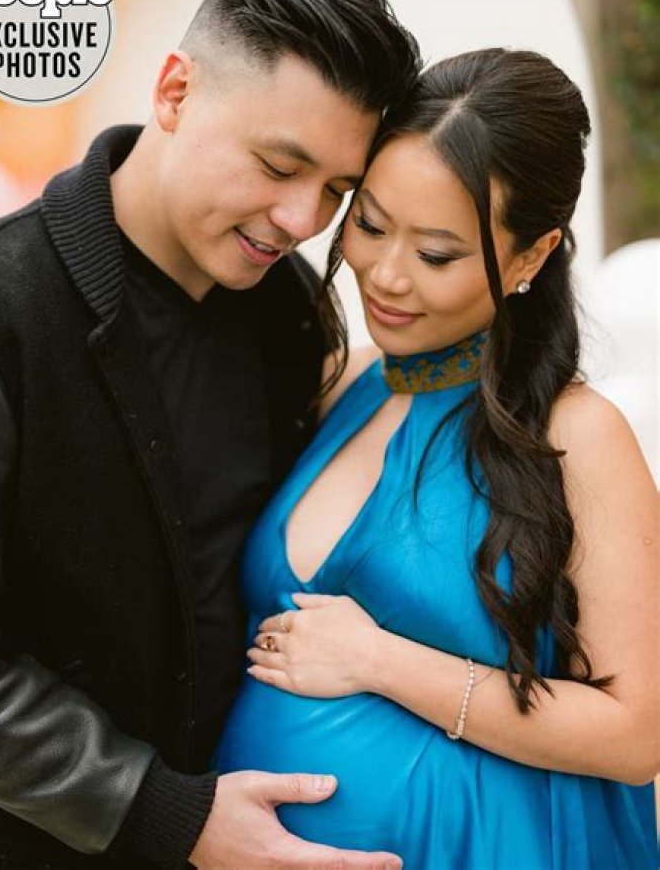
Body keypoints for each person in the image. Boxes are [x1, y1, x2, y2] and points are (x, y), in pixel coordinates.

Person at [0, 0, 420, 869]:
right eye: (279, 164)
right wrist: (165, 813)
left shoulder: (288, 312)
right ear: (174, 92)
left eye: (335, 189)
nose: (302, 220)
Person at [214, 48, 659, 868]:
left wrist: (381, 660)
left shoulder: (580, 435)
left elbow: (636, 735)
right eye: (370, 224)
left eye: (437, 254)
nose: (385, 275)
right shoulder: (344, 386)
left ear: (530, 256)